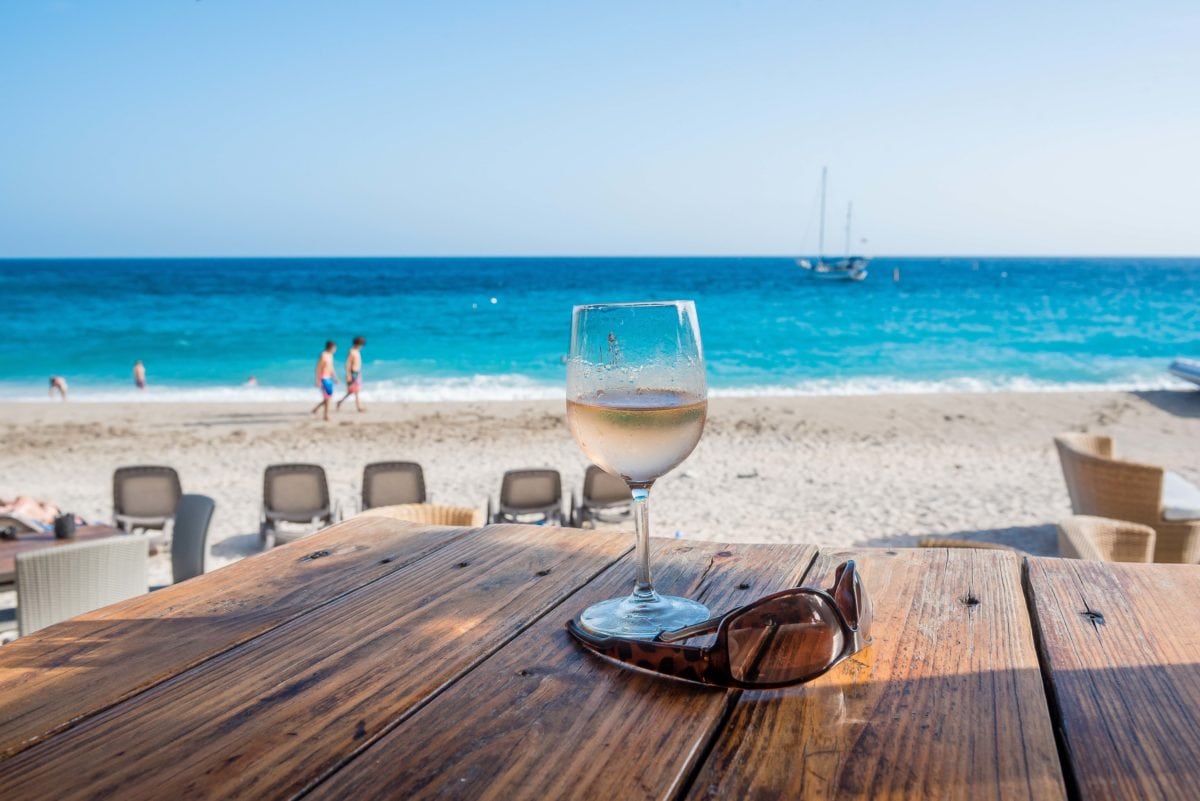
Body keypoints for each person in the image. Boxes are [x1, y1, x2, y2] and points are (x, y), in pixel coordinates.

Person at [336, 336, 367, 412]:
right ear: (357, 344)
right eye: (361, 345)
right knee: (356, 391)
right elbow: (348, 364)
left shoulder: (357, 351)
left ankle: (340, 402)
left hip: (357, 373)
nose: (361, 347)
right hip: (353, 373)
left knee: (352, 391)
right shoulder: (352, 351)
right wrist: (348, 375)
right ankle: (358, 407)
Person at [310, 341, 338, 421]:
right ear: (331, 347)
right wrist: (317, 380)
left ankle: (316, 409)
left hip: (329, 378)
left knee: (329, 397)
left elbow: (331, 368)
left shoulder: (331, 355)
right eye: (335, 348)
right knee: (327, 397)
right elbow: (318, 368)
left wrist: (335, 378)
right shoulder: (323, 355)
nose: (335, 350)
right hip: (323, 378)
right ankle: (326, 415)